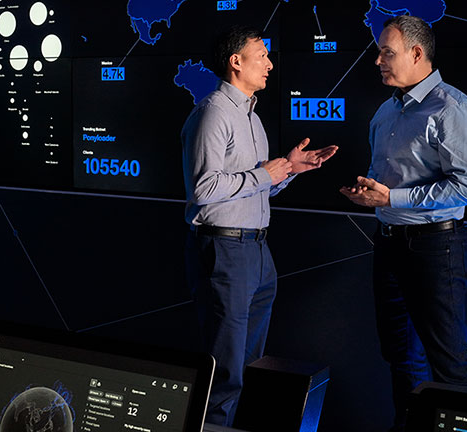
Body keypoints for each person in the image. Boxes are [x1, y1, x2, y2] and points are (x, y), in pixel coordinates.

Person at [181, 25, 337, 426]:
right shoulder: (213, 112)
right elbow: (204, 188)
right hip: (225, 251)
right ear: (236, 62)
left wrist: (288, 171)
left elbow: (253, 188)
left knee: (248, 365)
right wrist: (265, 175)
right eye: (261, 55)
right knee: (226, 368)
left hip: (256, 251)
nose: (270, 63)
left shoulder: (251, 116)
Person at [340, 15, 467, 432]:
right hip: (388, 243)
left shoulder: (452, 108)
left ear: (417, 53)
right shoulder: (386, 112)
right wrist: (369, 194)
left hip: (435, 249)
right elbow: (389, 179)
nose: (378, 61)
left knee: (450, 364)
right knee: (401, 355)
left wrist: (394, 197)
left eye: (387, 52)